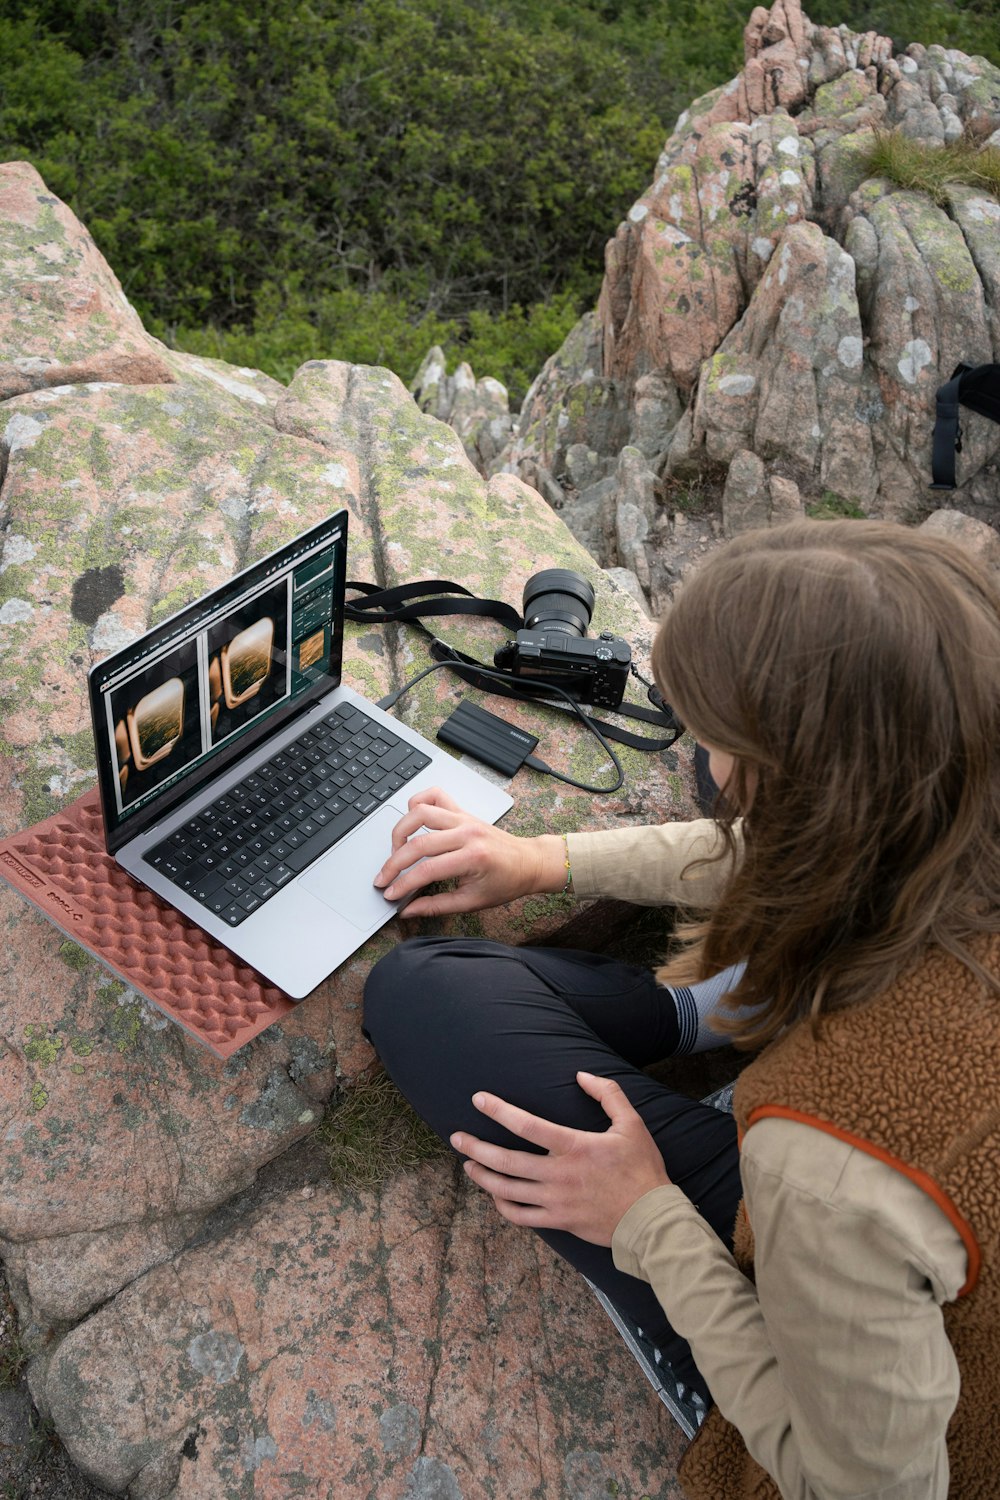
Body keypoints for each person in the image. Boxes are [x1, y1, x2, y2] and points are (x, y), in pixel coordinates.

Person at [362, 519, 1000, 1500]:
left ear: (784, 783)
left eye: (703, 731)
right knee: (451, 991)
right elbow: (792, 855)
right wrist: (543, 861)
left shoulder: (824, 1151)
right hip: (919, 1230)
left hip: (893, 1379)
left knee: (420, 995)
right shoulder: (958, 811)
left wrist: (651, 1222)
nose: (697, 752)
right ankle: (695, 1024)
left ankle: (687, 1313)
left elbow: (870, 1489)